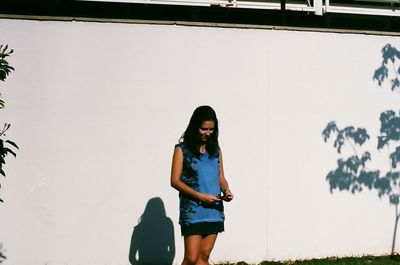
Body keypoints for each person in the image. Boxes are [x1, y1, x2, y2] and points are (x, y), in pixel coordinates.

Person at [170, 105, 234, 265]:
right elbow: (174, 181)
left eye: (211, 129)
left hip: (214, 210)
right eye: (204, 129)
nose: (208, 133)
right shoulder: (182, 150)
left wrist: (226, 190)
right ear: (195, 126)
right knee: (191, 258)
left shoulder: (216, 150)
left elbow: (221, 177)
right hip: (193, 211)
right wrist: (200, 196)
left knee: (203, 257)